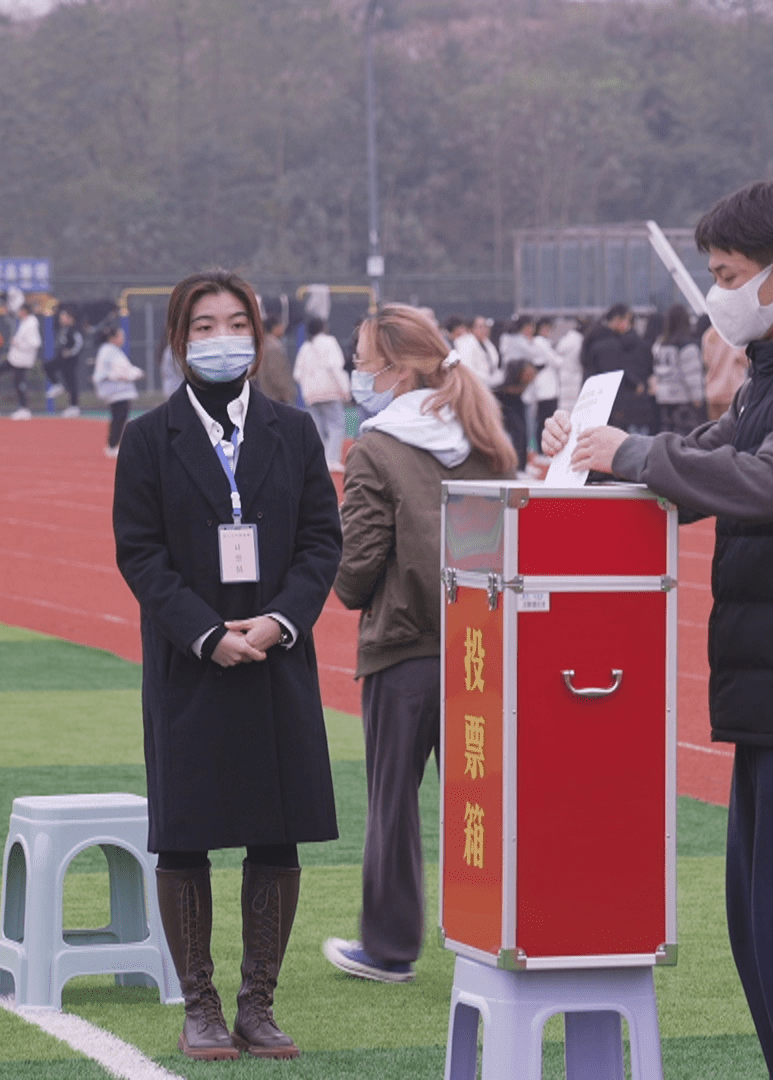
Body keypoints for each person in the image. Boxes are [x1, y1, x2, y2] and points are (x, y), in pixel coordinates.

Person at [545, 179, 773, 1080]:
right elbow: (712, 457)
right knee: (770, 932)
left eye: (729, 274)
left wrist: (632, 455)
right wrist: (600, 452)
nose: (718, 293)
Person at [111, 269, 342, 1062]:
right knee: (188, 834)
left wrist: (279, 622)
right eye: (202, 326)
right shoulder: (148, 438)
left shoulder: (294, 431)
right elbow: (140, 555)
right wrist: (209, 634)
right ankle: (201, 1008)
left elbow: (322, 542)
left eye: (234, 322)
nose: (220, 339)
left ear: (259, 333)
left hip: (277, 658)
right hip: (193, 663)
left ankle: (257, 1005)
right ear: (178, 341)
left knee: (276, 833)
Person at [320, 304, 515, 985]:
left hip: (403, 652)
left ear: (398, 371)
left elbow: (354, 574)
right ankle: (503, 935)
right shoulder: (484, 435)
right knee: (488, 802)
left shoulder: (375, 448)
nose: (356, 372)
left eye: (363, 360)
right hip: (484, 648)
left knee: (393, 804)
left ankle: (390, 947)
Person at [581, 303, 658, 434]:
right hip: (607, 403)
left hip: (592, 397)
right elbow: (615, 371)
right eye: (627, 320)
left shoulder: (595, 337)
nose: (628, 325)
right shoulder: (610, 344)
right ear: (617, 319)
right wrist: (635, 383)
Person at [293, 316, 350, 472]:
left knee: (318, 427)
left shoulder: (305, 347)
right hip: (330, 392)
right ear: (323, 327)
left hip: (311, 394)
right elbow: (335, 367)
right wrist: (345, 389)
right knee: (337, 425)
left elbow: (297, 374)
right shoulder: (329, 342)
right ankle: (332, 459)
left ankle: (321, 460)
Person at [651, 305, 708, 434]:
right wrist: (697, 397)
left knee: (667, 436)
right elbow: (692, 375)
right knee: (686, 437)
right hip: (683, 399)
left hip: (663, 398)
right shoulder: (687, 346)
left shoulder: (660, 345)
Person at [93, 325, 144, 458]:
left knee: (118, 418)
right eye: (120, 336)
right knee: (119, 418)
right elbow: (122, 372)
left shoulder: (109, 350)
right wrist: (137, 374)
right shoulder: (110, 351)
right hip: (117, 391)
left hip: (116, 390)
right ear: (112, 338)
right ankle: (113, 445)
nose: (123, 339)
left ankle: (113, 445)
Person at [493, 316, 537, 464]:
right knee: (517, 431)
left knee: (523, 430)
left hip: (518, 397)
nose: (531, 331)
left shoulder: (516, 342)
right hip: (507, 395)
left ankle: (522, 465)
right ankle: (518, 466)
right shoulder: (514, 344)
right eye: (528, 327)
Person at [523, 316, 560, 462]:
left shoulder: (542, 342)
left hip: (548, 385)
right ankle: (541, 450)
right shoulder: (539, 342)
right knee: (544, 420)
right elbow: (555, 361)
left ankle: (543, 450)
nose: (547, 331)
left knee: (547, 419)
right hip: (544, 387)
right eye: (545, 327)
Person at [0, 302, 42, 420]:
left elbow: (35, 343)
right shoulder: (25, 323)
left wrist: (18, 344)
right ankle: (23, 408)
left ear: (25, 311)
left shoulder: (31, 324)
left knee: (20, 383)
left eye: (20, 310)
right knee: (18, 383)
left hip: (23, 360)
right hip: (18, 359)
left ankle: (24, 408)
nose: (18, 313)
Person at [45, 306, 86, 417]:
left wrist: (70, 352)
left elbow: (79, 344)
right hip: (62, 358)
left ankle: (74, 406)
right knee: (48, 366)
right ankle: (57, 385)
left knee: (71, 382)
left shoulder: (75, 330)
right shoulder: (64, 329)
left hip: (70, 360)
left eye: (63, 317)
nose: (61, 319)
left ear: (70, 318)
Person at [256, 312, 297, 407]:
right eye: (281, 325)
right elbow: (276, 372)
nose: (283, 328)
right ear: (275, 328)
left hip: (269, 394)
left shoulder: (265, 344)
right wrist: (285, 391)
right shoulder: (273, 346)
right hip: (277, 396)